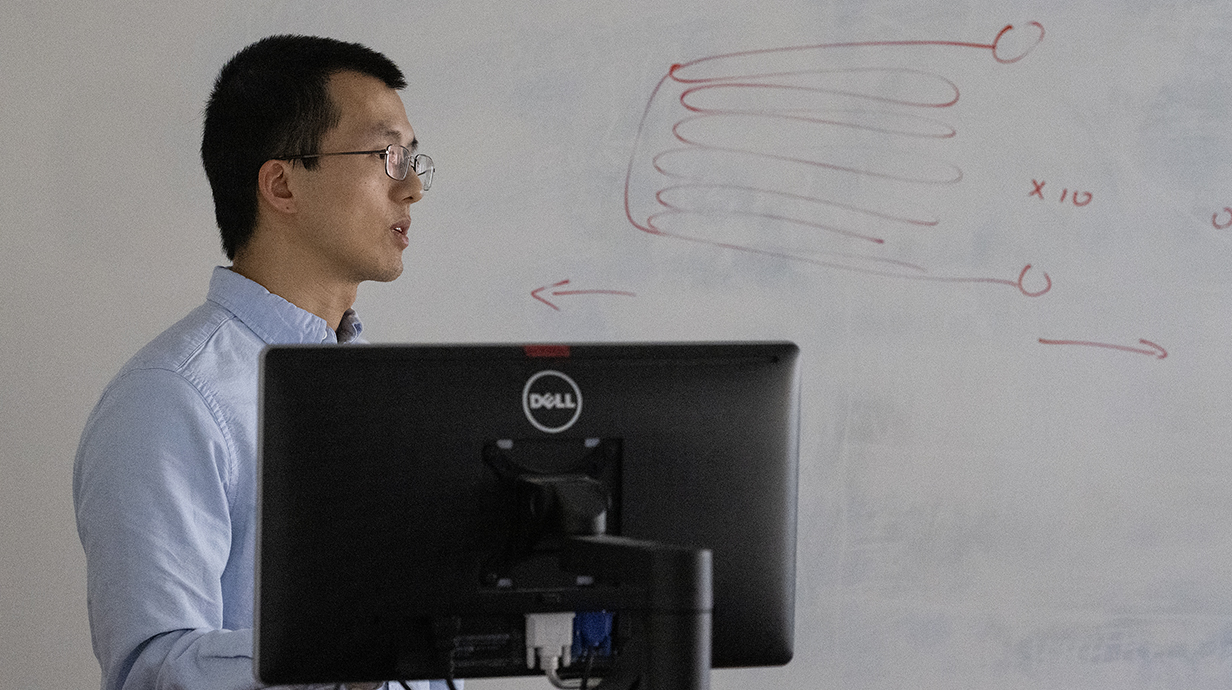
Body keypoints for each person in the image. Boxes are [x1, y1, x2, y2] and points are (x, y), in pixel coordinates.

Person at [72, 35, 443, 690]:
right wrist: (348, 654)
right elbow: (151, 671)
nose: (411, 188)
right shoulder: (172, 397)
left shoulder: (390, 395)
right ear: (282, 185)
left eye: (413, 159)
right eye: (386, 156)